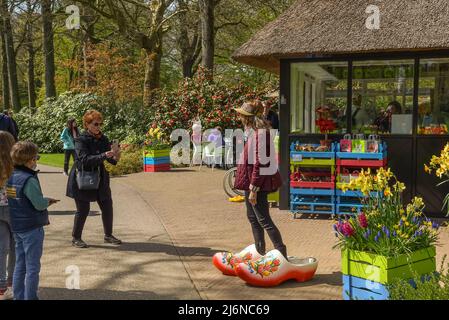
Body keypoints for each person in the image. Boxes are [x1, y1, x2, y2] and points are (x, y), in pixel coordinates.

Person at [233, 100, 287, 259]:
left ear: (247, 117)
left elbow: (260, 163)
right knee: (253, 218)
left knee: (263, 219)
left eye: (241, 114)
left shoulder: (259, 134)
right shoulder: (253, 131)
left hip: (257, 184)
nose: (239, 117)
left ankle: (282, 254)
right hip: (251, 182)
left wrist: (253, 189)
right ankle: (260, 251)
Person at [7, 141, 58, 300]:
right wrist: (48, 201)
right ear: (30, 160)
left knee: (20, 265)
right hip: (31, 228)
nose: (36, 160)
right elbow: (38, 203)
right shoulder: (29, 179)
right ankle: (31, 297)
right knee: (33, 267)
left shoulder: (10, 176)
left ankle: (18, 296)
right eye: (36, 157)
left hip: (17, 226)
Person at [66, 110, 121, 248]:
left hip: (100, 177)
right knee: (83, 209)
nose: (98, 127)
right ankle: (76, 238)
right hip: (83, 177)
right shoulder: (80, 139)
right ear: (87, 124)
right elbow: (83, 160)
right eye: (95, 124)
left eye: (100, 124)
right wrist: (103, 155)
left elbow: (111, 161)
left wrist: (116, 155)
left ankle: (108, 235)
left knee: (107, 206)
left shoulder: (103, 138)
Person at [0, 131, 15, 300]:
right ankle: (12, 282)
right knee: (15, 247)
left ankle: (1, 284)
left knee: (1, 248)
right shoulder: (15, 163)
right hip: (13, 207)